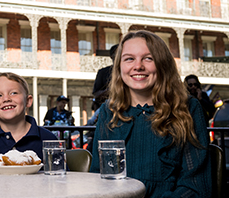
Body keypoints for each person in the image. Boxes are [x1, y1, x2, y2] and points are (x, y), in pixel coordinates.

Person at [89, 30, 211, 197]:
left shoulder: (188, 108)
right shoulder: (108, 111)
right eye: (129, 59)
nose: (138, 66)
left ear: (162, 64)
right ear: (119, 66)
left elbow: (195, 185)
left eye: (148, 58)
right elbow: (98, 177)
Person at [0, 72, 57, 163]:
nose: (6, 99)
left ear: (28, 101)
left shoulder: (49, 139)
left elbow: (60, 174)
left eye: (13, 93)